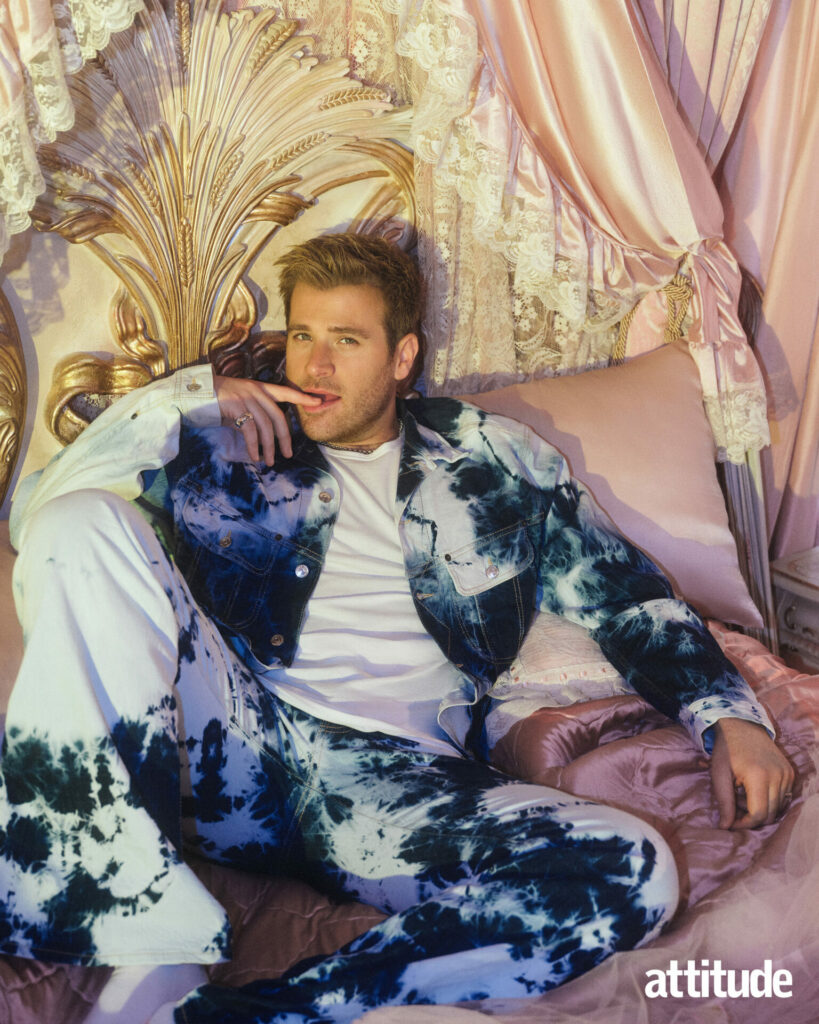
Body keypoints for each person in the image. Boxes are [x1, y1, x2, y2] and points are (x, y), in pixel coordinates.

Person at [0, 233, 793, 1024]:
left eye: (345, 341)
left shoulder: (491, 459)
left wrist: (727, 715)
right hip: (234, 744)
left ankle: (252, 1015)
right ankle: (146, 936)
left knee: (632, 867)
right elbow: (41, 525)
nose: (313, 367)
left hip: (394, 786)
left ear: (401, 354)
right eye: (302, 336)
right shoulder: (226, 442)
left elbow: (620, 595)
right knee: (80, 521)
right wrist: (178, 401)